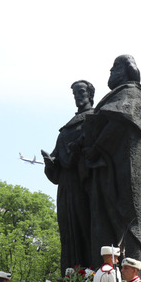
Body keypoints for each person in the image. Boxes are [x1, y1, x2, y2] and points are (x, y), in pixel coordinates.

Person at [83, 54, 141, 271]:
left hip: (127, 166)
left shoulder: (133, 93)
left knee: (129, 218)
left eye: (113, 69)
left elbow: (119, 124)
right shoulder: (116, 96)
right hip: (109, 166)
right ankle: (107, 268)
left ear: (125, 70)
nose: (110, 74)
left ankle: (134, 272)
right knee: (107, 219)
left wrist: (95, 147)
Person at [43, 80, 94, 271]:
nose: (77, 96)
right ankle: (70, 273)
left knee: (83, 226)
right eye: (74, 93)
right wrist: (51, 163)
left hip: (83, 183)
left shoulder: (94, 118)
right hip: (66, 185)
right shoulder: (65, 129)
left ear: (89, 93)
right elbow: (57, 155)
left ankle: (88, 271)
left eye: (80, 92)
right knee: (67, 229)